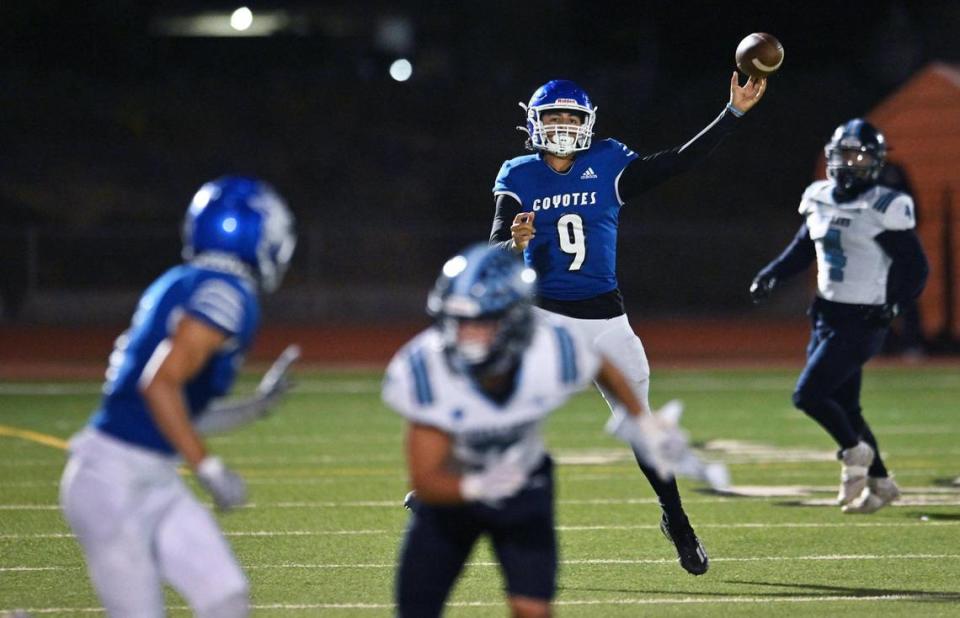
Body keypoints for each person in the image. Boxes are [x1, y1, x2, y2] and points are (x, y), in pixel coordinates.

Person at [489, 74, 766, 574]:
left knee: (644, 429)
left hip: (605, 320)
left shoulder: (609, 162)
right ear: (534, 123)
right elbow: (495, 252)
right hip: (545, 316)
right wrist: (515, 244)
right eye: (554, 117)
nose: (563, 127)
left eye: (572, 118)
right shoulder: (519, 174)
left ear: (588, 124)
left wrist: (733, 113)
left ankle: (675, 517)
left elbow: (677, 162)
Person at [383, 244, 713, 618]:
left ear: (514, 321)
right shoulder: (424, 365)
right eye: (458, 321)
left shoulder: (549, 347)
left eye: (482, 322)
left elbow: (600, 365)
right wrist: (475, 488)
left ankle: (678, 522)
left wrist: (645, 422)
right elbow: (425, 477)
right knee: (415, 608)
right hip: (454, 490)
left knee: (533, 609)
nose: (467, 336)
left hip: (523, 485)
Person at [59, 176, 300, 617]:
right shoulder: (226, 293)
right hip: (115, 481)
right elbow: (160, 385)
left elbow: (173, 411)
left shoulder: (186, 280)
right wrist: (208, 467)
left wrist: (255, 407)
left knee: (224, 596)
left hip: (148, 477)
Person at [750, 119, 929, 514]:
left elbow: (915, 267)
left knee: (808, 395)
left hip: (863, 318)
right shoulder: (819, 197)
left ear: (875, 161)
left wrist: (894, 303)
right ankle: (881, 484)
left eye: (857, 155)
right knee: (847, 407)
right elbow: (802, 247)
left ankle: (854, 452)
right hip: (826, 312)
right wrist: (771, 273)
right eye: (843, 154)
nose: (849, 163)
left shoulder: (883, 205)